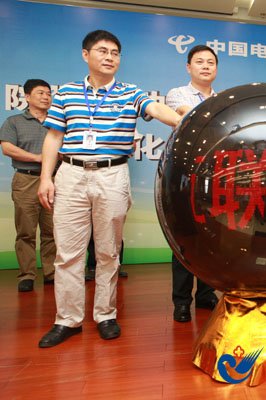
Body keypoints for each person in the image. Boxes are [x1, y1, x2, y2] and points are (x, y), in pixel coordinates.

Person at [37, 30, 181, 348]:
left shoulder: (130, 92)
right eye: (102, 51)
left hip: (112, 175)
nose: (109, 57)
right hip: (71, 174)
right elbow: (53, 137)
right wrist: (46, 177)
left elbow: (156, 109)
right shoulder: (66, 93)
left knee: (108, 251)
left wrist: (182, 120)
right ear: (85, 54)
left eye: (115, 53)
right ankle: (67, 320)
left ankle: (105, 315)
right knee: (68, 253)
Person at [166, 44, 219, 322]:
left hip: (215, 175)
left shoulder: (222, 98)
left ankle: (206, 294)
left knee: (212, 235)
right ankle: (182, 300)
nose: (206, 66)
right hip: (185, 175)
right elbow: (191, 115)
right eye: (200, 61)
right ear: (189, 67)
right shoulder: (177, 94)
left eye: (211, 62)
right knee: (185, 238)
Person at [0, 79, 56, 292]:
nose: (46, 97)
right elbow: (7, 148)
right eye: (40, 93)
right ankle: (27, 275)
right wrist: (39, 158)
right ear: (27, 96)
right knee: (26, 231)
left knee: (52, 231)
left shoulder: (57, 122)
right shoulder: (14, 121)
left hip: (54, 179)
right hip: (26, 179)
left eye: (48, 94)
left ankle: (51, 273)